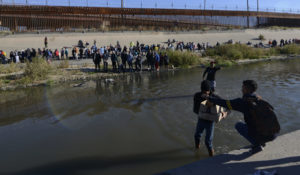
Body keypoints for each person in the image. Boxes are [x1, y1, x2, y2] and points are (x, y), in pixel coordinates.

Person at [206, 80, 279, 154]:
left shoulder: (243, 102)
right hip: (274, 134)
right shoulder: (259, 98)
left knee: (239, 125)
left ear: (246, 89)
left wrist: (210, 99)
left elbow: (225, 103)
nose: (241, 89)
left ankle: (257, 145)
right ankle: (261, 141)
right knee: (253, 122)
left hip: (263, 135)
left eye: (242, 87)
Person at [194, 80, 224, 157]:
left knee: (208, 142)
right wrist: (204, 106)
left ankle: (211, 157)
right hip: (201, 119)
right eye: (203, 91)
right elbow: (195, 110)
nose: (204, 93)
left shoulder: (215, 97)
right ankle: (197, 149)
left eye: (206, 92)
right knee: (197, 136)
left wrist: (223, 112)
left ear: (209, 90)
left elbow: (224, 103)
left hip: (210, 122)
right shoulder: (197, 96)